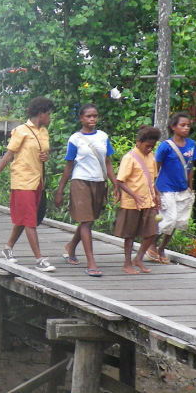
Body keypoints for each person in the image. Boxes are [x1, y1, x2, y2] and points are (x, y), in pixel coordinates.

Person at [0, 96, 56, 272]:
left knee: (26, 218)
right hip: (22, 181)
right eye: (48, 114)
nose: (50, 117)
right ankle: (39, 260)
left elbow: (42, 154)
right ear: (40, 114)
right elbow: (8, 156)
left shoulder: (44, 132)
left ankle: (8, 248)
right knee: (30, 220)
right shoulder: (21, 131)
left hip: (38, 180)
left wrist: (45, 157)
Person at [54, 104, 119, 277]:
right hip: (80, 181)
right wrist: (60, 191)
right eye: (88, 116)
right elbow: (69, 166)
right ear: (81, 118)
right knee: (86, 220)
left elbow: (107, 162)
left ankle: (71, 246)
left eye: (95, 116)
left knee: (88, 221)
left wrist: (115, 184)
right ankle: (91, 262)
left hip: (99, 182)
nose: (92, 119)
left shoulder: (103, 136)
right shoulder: (75, 139)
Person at [147, 112, 196, 264]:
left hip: (183, 189)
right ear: (173, 127)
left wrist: (190, 187)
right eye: (182, 125)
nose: (186, 128)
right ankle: (152, 245)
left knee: (178, 221)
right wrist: (153, 189)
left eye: (188, 125)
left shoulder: (191, 144)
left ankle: (161, 248)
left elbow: (190, 167)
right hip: (166, 188)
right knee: (169, 219)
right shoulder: (165, 146)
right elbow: (155, 168)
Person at [115, 125, 162, 274]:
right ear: (138, 142)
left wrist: (157, 194)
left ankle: (139, 258)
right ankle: (127, 263)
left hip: (148, 201)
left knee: (152, 232)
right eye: (147, 146)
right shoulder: (129, 158)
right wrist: (134, 195)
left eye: (152, 146)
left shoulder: (151, 156)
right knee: (130, 235)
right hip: (131, 203)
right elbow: (120, 181)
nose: (149, 149)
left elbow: (152, 179)